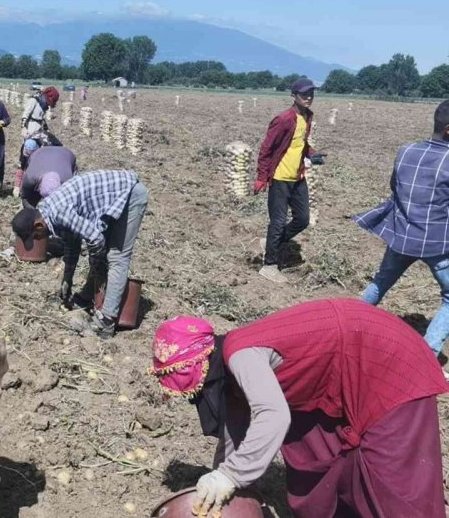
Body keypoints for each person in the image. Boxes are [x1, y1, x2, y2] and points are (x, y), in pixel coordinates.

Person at [149, 299, 449, 517]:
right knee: (315, 453)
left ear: (203, 364)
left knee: (396, 485)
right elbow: (235, 430)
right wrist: (223, 479)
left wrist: (231, 476)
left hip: (386, 360)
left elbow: (274, 416)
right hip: (343, 369)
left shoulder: (242, 356)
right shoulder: (228, 370)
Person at [354, 100, 449, 370]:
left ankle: (352, 322)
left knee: (381, 282)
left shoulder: (405, 150)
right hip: (437, 243)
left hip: (403, 235)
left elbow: (395, 187)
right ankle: (427, 357)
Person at [11, 170, 148, 335]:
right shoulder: (46, 212)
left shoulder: (59, 212)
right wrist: (67, 279)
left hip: (128, 194)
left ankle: (106, 321)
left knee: (116, 256)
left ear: (38, 226)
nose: (39, 240)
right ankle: (87, 297)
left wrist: (97, 263)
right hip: (110, 200)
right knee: (100, 257)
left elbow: (95, 238)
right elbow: (72, 243)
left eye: (36, 237)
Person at [253, 77, 320, 284]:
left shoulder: (307, 117)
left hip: (298, 177)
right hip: (280, 177)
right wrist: (262, 177)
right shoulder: (283, 119)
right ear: (294, 96)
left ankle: (272, 243)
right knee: (278, 221)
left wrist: (312, 154)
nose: (308, 98)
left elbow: (300, 143)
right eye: (304, 94)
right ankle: (269, 265)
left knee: (303, 219)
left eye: (311, 94)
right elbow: (267, 149)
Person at [14, 87, 61, 196]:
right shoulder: (34, 101)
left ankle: (34, 185)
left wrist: (47, 130)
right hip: (30, 131)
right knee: (25, 157)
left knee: (37, 157)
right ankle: (18, 186)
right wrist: (23, 127)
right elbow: (25, 115)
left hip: (39, 132)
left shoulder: (44, 105)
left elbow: (42, 119)